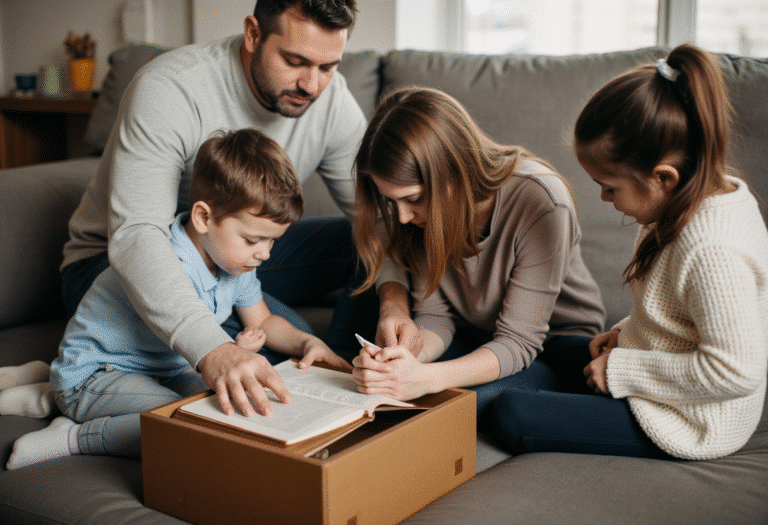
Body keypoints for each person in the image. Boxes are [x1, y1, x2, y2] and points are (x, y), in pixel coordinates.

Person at [58, 0, 415, 419]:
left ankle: (342, 374)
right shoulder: (170, 88)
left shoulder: (327, 98)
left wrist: (394, 300)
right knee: (268, 377)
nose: (312, 85)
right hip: (113, 268)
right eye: (294, 61)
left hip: (230, 256)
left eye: (328, 66)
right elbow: (137, 237)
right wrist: (215, 349)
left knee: (352, 244)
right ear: (252, 34)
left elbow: (375, 220)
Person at [6, 129, 350, 470]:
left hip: (162, 371)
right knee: (189, 424)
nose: (264, 254)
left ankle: (45, 390)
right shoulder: (160, 263)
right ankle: (74, 434)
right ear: (203, 218)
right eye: (253, 240)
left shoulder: (237, 265)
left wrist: (308, 342)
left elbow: (261, 321)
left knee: (228, 405)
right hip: (96, 373)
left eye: (272, 242)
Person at [491, 44, 768, 460]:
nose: (602, 197)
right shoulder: (683, 199)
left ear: (663, 177)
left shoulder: (713, 250)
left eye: (610, 186)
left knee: (509, 412)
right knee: (548, 347)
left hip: (691, 418)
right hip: (658, 373)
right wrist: (625, 332)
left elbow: (734, 372)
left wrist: (622, 371)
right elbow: (677, 313)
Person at [350, 86, 606, 428]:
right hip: (477, 333)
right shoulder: (421, 216)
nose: (402, 218)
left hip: (554, 347)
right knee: (386, 399)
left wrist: (424, 379)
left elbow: (518, 342)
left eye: (412, 199)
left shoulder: (541, 199)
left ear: (452, 174)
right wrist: (407, 357)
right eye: (392, 202)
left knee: (443, 415)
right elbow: (435, 316)